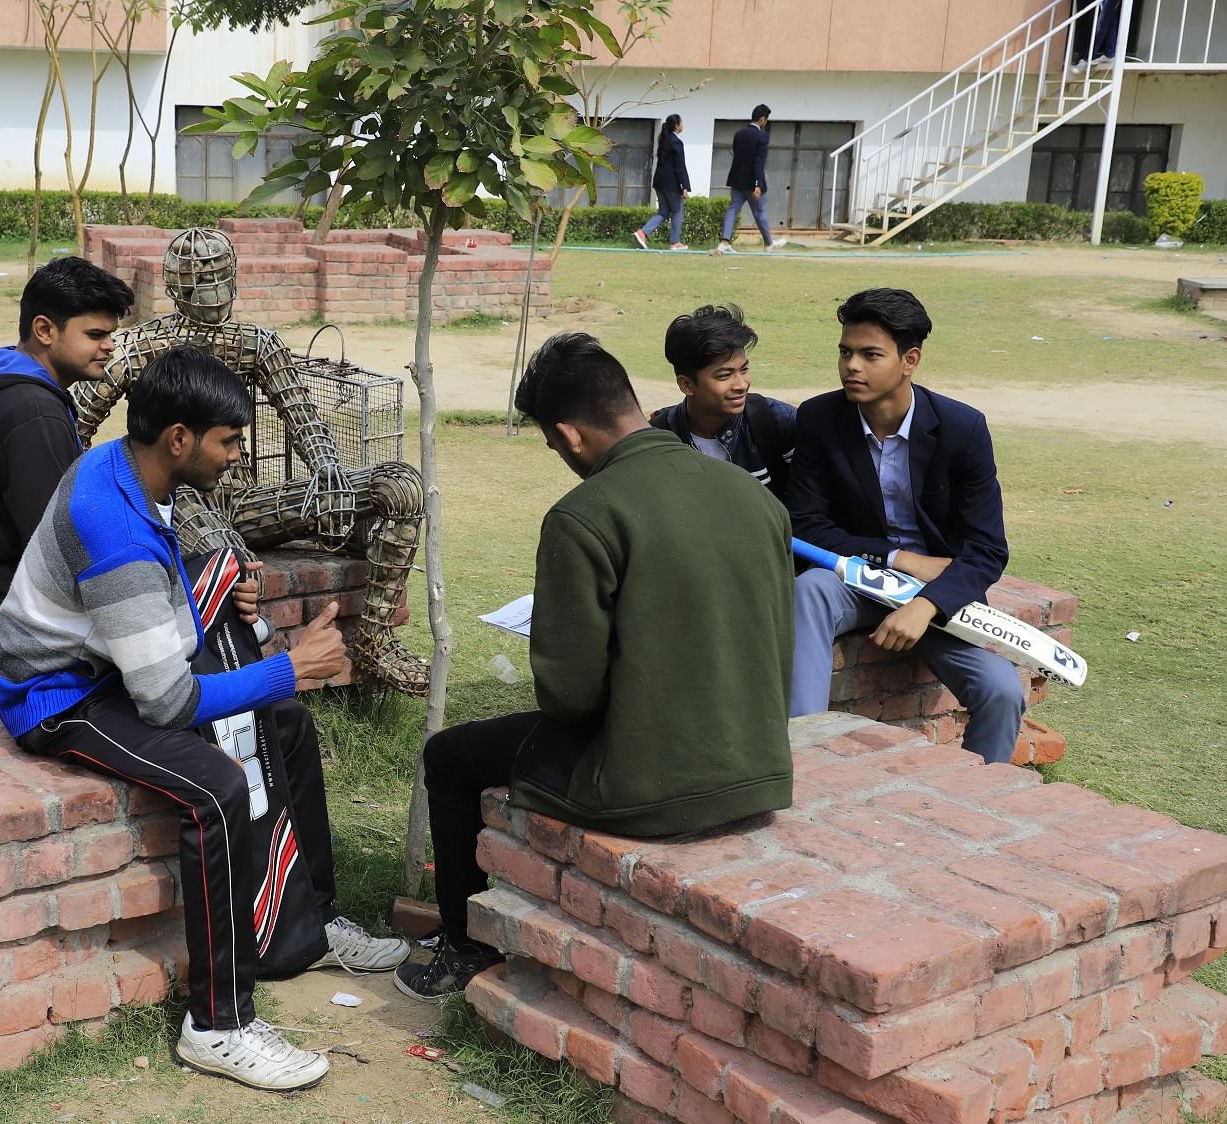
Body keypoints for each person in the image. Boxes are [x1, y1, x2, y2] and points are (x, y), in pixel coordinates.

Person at [0, 346, 408, 1092]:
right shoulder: (110, 521)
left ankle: (307, 922)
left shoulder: (130, 472)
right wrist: (292, 667)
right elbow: (168, 703)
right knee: (214, 785)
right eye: (227, 441)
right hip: (60, 697)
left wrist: (223, 611)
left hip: (110, 665)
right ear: (178, 438)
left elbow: (155, 611)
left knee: (286, 726)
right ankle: (218, 1024)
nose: (236, 457)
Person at [394, 332, 795, 1003]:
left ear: (568, 436)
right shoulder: (754, 498)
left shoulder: (584, 515)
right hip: (760, 765)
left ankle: (465, 945)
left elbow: (569, 695)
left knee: (449, 755)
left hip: (649, 785)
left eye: (554, 447)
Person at [71, 228, 429, 696]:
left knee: (399, 487)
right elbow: (74, 426)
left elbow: (302, 416)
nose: (215, 297)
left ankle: (374, 641)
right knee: (231, 559)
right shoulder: (139, 348)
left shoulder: (254, 343)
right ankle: (252, 685)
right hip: (177, 500)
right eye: (202, 283)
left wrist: (328, 470)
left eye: (221, 280)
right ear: (176, 287)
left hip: (245, 498)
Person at [788, 288, 1025, 764]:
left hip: (937, 600)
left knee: (1002, 691)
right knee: (810, 589)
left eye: (870, 354)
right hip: (854, 581)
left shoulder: (962, 429)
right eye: (845, 352)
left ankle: (984, 798)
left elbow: (987, 550)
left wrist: (925, 604)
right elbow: (805, 524)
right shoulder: (820, 418)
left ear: (909, 360)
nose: (851, 366)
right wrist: (898, 558)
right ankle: (802, 756)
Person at [0, 256, 134, 670]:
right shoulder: (29, 411)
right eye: (95, 334)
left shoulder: (16, 387)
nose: (109, 346)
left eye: (111, 335)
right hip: (21, 632)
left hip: (17, 617)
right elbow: (60, 543)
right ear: (44, 329)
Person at [650, 303, 796, 499]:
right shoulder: (658, 441)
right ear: (686, 385)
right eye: (725, 375)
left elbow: (808, 507)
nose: (741, 384)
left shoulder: (778, 421)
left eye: (744, 370)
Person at [716, 104, 786, 255]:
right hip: (752, 183)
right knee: (760, 213)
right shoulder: (762, 137)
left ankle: (724, 242)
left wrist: (760, 174)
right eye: (766, 119)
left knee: (733, 209)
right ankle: (768, 244)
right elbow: (758, 161)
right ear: (762, 119)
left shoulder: (739, 134)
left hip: (737, 179)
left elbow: (740, 156)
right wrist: (757, 183)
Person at [633, 114, 691, 251]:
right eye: (682, 122)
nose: (683, 125)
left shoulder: (664, 140)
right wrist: (684, 186)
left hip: (659, 182)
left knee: (663, 211)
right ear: (677, 125)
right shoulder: (676, 142)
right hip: (671, 184)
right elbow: (679, 166)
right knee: (677, 211)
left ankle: (642, 233)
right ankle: (675, 242)